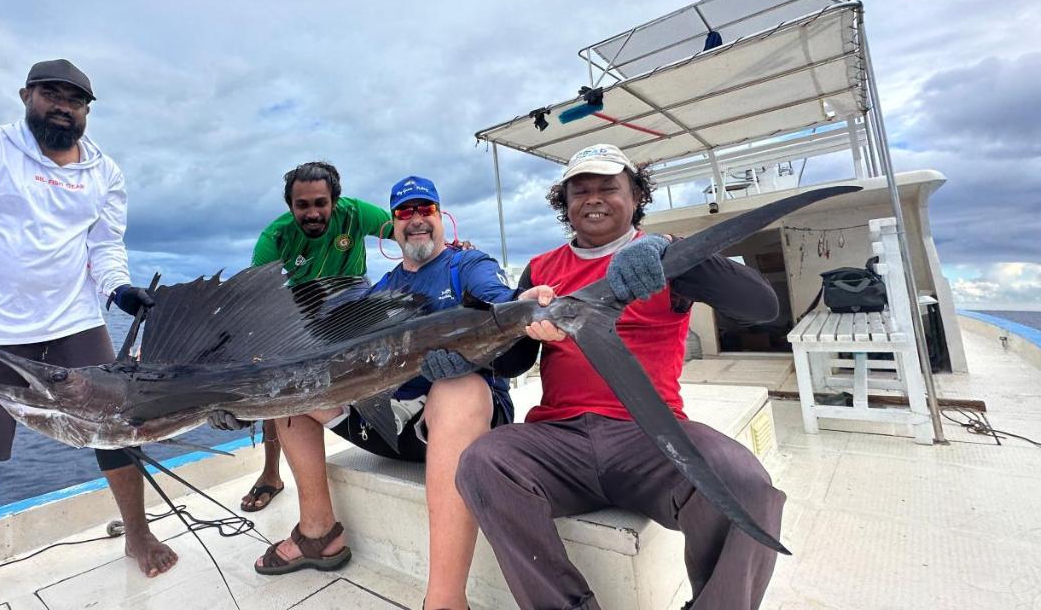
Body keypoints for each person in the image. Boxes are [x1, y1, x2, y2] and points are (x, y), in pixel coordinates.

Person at [0, 59, 177, 610]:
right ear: (26, 95)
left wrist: (118, 288)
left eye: (75, 98)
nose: (63, 105)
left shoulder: (104, 173)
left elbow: (104, 245)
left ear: (88, 110)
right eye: (51, 93)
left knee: (118, 429)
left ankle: (137, 532)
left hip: (75, 323)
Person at [454, 144, 786, 610]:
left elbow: (761, 308)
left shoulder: (666, 258)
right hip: (558, 438)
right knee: (482, 461)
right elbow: (509, 364)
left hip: (651, 437)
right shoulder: (541, 269)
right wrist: (507, 328)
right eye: (580, 190)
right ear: (565, 205)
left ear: (635, 197)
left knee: (747, 486)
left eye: (608, 187)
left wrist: (675, 253)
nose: (593, 198)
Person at [248, 176, 555, 610]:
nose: (416, 220)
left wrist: (522, 303)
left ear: (440, 216)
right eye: (404, 213)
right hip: (397, 425)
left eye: (424, 209)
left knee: (458, 386)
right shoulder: (382, 290)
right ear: (391, 225)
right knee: (292, 392)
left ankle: (445, 600)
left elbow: (499, 302)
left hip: (467, 426)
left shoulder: (468, 265)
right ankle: (320, 534)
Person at [223, 161, 391, 513]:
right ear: (290, 206)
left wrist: (451, 246)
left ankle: (387, 417)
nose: (313, 213)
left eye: (320, 203)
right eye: (303, 206)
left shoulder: (357, 213)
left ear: (335, 201)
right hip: (302, 308)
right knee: (273, 371)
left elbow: (407, 230)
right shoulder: (275, 237)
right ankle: (271, 473)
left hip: (352, 298)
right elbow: (255, 299)